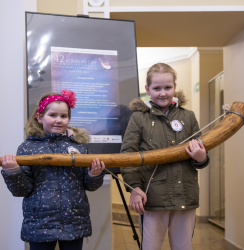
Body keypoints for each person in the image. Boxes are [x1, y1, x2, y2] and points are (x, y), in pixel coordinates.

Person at [1, 90, 105, 250]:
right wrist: (13, 172)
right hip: (40, 223)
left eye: (64, 116)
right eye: (53, 115)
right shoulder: (27, 148)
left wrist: (94, 174)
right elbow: (22, 190)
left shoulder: (79, 147)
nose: (59, 120)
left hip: (74, 222)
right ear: (40, 117)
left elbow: (89, 185)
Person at [121, 63, 210, 250]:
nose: (163, 93)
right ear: (147, 89)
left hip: (185, 197)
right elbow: (128, 155)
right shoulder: (138, 118)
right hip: (151, 199)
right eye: (157, 88)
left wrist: (201, 156)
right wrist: (134, 188)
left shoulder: (189, 117)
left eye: (168, 87)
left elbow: (200, 158)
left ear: (175, 87)